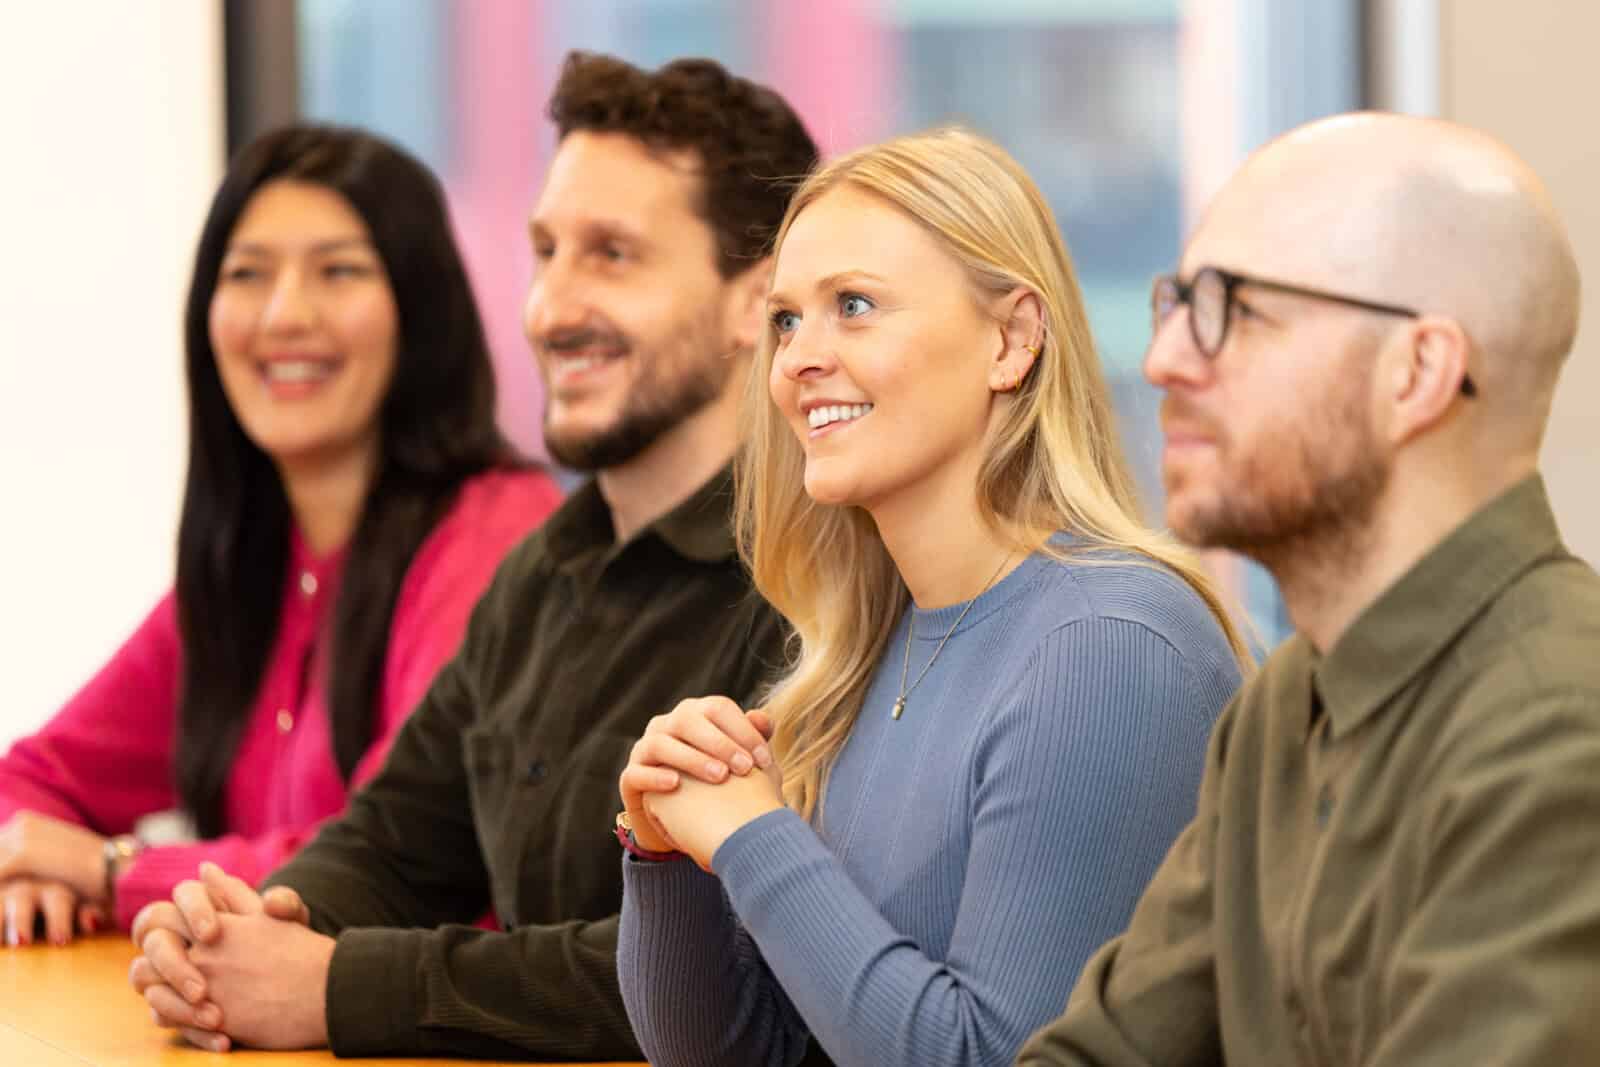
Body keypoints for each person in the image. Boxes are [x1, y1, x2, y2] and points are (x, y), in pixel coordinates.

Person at [125, 52, 817, 1059]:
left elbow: (722, 968)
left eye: (612, 254)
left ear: (755, 299)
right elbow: (393, 842)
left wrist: (337, 986)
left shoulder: (813, 582)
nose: (550, 307)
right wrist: (250, 928)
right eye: (546, 251)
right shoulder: (542, 569)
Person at [613, 127, 1249, 1067]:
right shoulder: (865, 662)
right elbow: (744, 1054)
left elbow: (984, 1057)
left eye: (855, 306)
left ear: (1012, 339)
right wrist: (666, 854)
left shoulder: (1111, 645)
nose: (796, 362)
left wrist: (753, 835)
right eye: (786, 320)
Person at [1016, 112, 1600, 1066]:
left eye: (1233, 308)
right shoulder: (1283, 707)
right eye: (1177, 302)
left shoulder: (1559, 733)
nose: (1163, 359)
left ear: (1415, 373)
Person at [0, 124, 560, 945]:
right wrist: (33, 871)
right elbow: (28, 783)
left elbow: (387, 861)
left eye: (338, 271)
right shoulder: (250, 567)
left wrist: (112, 870)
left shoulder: (494, 530)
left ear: (420, 307)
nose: (284, 314)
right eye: (247, 274)